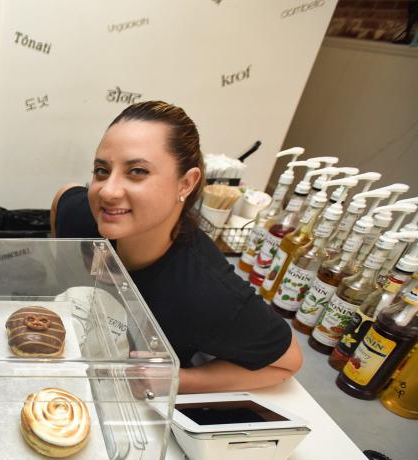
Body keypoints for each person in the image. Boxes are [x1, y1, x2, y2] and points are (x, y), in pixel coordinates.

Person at [51, 100, 302, 393]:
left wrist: (177, 379)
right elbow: (63, 196)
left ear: (186, 184)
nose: (107, 191)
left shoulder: (207, 291)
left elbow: (287, 363)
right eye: (102, 170)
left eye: (137, 171)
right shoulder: (84, 219)